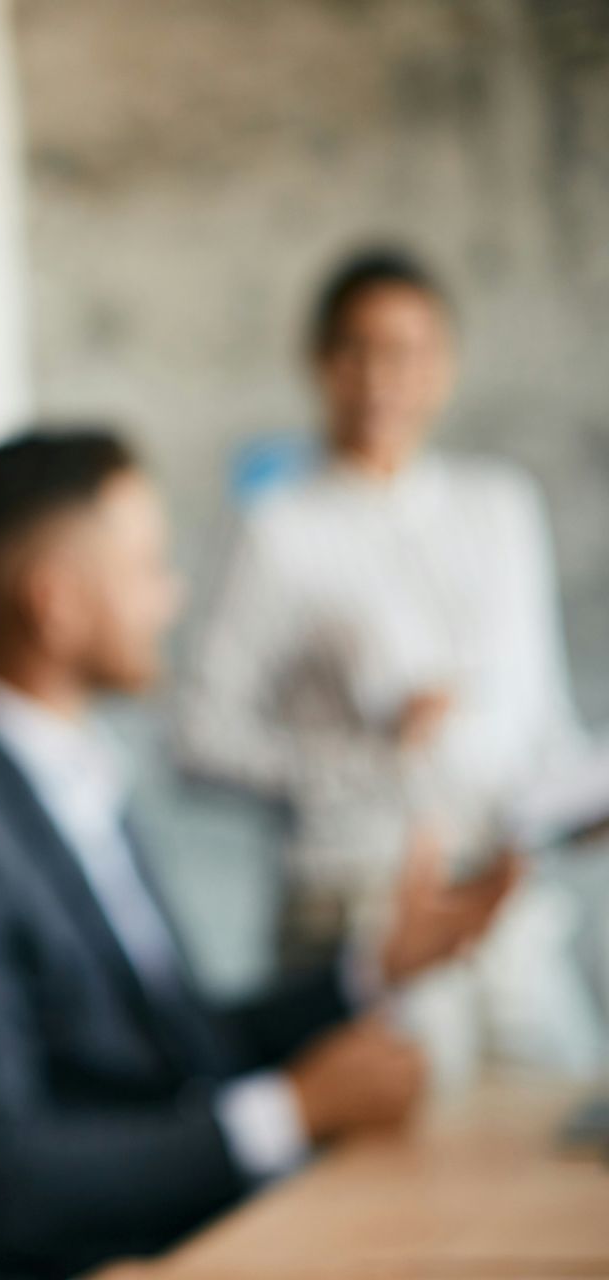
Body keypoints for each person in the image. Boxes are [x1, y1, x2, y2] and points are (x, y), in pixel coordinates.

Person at [0, 431, 514, 1280]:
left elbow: (182, 1045)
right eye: (147, 568)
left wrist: (376, 967)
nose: (172, 598)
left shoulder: (72, 777)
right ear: (58, 603)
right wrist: (292, 1113)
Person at [171, 249, 602, 1079]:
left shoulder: (501, 508)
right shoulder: (276, 527)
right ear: (319, 363)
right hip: (361, 907)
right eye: (354, 350)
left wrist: (576, 802)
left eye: (406, 352)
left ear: (444, 366)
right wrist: (366, 757)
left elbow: (540, 714)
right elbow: (198, 736)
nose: (378, 378)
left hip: (506, 904)